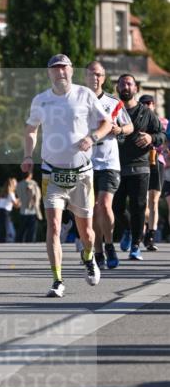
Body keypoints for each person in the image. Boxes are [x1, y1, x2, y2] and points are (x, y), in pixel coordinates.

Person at [22, 54, 112, 298]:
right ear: (49, 73)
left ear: (71, 71)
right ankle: (57, 280)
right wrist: (28, 155)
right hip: (52, 174)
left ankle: (89, 256)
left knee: (87, 233)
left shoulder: (85, 95)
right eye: (55, 69)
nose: (60, 72)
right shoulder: (41, 100)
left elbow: (106, 123)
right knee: (53, 227)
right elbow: (31, 129)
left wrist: (92, 137)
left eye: (64, 68)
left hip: (81, 174)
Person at [83, 61, 133, 270]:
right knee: (92, 209)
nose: (95, 78)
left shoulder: (113, 102)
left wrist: (119, 130)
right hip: (85, 162)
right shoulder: (77, 101)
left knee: (104, 205)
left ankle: (109, 244)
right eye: (91, 74)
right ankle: (98, 252)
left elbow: (129, 126)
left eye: (98, 74)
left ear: (103, 78)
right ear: (85, 77)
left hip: (109, 161)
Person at [113, 77, 164, 260]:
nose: (125, 87)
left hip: (140, 167)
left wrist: (151, 138)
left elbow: (162, 134)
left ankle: (135, 245)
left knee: (138, 207)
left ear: (135, 88)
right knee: (116, 207)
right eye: (122, 84)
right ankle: (128, 229)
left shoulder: (146, 112)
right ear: (117, 88)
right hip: (115, 166)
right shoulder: (112, 110)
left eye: (129, 84)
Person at [138, 94, 165, 251]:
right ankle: (141, 229)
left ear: (154, 105)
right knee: (142, 201)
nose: (146, 105)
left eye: (149, 103)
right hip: (140, 163)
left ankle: (151, 235)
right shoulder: (137, 122)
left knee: (154, 200)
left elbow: (165, 140)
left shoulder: (163, 122)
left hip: (157, 162)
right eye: (143, 103)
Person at [17, 173, 43, 243]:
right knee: (32, 230)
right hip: (32, 209)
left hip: (22, 210)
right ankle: (30, 243)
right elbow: (35, 195)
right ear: (30, 175)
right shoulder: (32, 183)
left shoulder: (19, 184)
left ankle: (19, 242)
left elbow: (18, 196)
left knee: (22, 229)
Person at [0, 178, 20, 242]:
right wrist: (20, 199)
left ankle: (0, 242)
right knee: (5, 229)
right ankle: (3, 243)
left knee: (0, 229)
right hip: (5, 212)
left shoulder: (2, 192)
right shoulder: (11, 193)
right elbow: (16, 205)